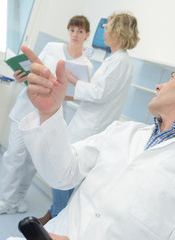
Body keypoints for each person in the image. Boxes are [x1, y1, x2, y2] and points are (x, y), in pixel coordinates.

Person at [7, 44, 175, 239]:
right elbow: (62, 175)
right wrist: (50, 113)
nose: (159, 86)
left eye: (171, 79)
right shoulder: (123, 131)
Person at [0, 15, 93, 216]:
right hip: (26, 107)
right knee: (14, 156)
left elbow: (77, 96)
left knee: (32, 164)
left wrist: (57, 88)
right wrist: (21, 76)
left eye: (80, 31)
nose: (75, 35)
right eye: (72, 30)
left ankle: (17, 200)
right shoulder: (52, 47)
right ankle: (6, 202)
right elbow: (31, 70)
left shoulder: (86, 66)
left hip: (49, 116)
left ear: (87, 34)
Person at [39, 11, 140, 224]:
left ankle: (57, 216)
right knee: (65, 173)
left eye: (107, 27)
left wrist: (73, 79)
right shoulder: (115, 60)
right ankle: (54, 213)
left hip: (91, 127)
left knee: (62, 169)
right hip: (87, 122)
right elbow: (97, 90)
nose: (104, 31)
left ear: (118, 32)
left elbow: (98, 93)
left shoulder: (120, 62)